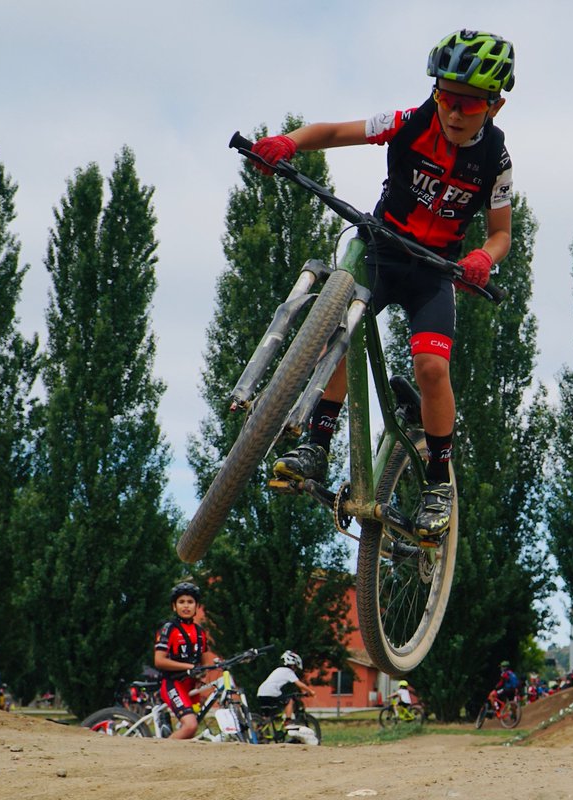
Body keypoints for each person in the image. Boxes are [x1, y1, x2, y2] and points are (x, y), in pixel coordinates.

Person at [253, 29, 516, 543]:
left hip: (434, 272)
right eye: (444, 97)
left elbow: (502, 233)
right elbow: (333, 132)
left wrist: (484, 257)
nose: (453, 112)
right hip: (380, 250)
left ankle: (438, 484)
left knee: (431, 367)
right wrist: (288, 144)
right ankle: (316, 445)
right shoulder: (409, 123)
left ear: (495, 106)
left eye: (467, 104)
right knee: (338, 331)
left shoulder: (495, 162)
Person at [153, 581, 214, 740]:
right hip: (173, 683)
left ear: (197, 606)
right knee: (190, 726)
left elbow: (205, 656)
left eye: (190, 602)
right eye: (181, 602)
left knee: (192, 729)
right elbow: (159, 661)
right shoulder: (169, 628)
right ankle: (160, 756)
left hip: (191, 685)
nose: (186, 606)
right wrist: (190, 666)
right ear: (174, 606)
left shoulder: (200, 632)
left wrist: (204, 673)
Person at [255, 649, 315, 725]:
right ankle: (288, 721)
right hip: (272, 692)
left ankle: (259, 732)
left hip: (261, 692)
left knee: (266, 717)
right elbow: (299, 684)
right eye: (295, 667)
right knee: (289, 701)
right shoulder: (288, 671)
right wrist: (310, 691)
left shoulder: (278, 669)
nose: (295, 669)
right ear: (293, 665)